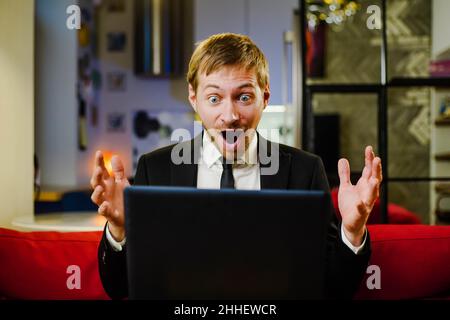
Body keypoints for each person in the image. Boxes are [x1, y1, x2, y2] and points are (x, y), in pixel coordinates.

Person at [91, 33, 382, 300]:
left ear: (264, 97)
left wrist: (352, 231)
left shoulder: (305, 170)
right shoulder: (155, 169)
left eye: (244, 97)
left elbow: (333, 288)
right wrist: (118, 230)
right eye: (214, 98)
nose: (229, 116)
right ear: (194, 99)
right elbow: (120, 288)